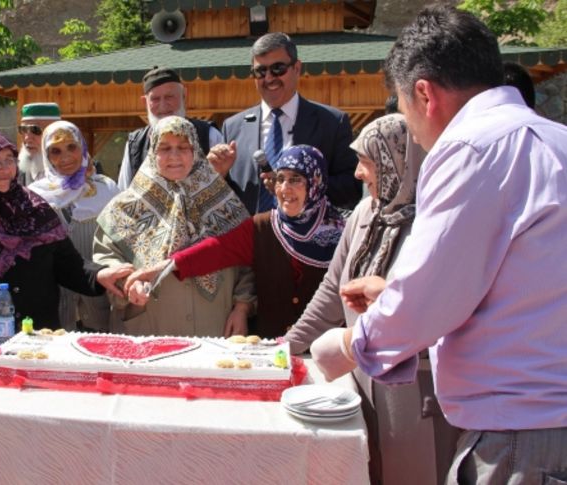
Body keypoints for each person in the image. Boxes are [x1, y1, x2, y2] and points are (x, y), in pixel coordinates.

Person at [310, 6, 567, 483]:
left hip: (519, 430)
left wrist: (348, 343)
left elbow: (429, 298)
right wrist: (395, 294)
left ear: (424, 93)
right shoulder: (556, 140)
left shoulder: (468, 147)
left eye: (402, 110)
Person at [282, 115, 458, 485]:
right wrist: (285, 349)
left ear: (399, 160)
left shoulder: (434, 223)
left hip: (413, 392)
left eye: (368, 161)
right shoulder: (365, 214)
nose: (359, 174)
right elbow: (332, 293)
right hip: (358, 382)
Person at [0, 131, 131, 365]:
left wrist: (100, 274)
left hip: (36, 346)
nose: (5, 168)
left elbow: (69, 265)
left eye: (9, 160)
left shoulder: (33, 207)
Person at [125, 144, 344, 339]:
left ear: (316, 182)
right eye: (280, 178)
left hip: (327, 349)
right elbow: (214, 251)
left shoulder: (342, 230)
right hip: (272, 350)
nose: (284, 188)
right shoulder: (263, 227)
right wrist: (157, 270)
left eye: (295, 179)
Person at [95, 116, 255, 337]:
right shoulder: (124, 207)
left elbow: (247, 260)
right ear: (152, 152)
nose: (174, 156)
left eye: (183, 147)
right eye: (165, 148)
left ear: (195, 151)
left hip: (215, 326)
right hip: (150, 328)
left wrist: (242, 307)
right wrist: (127, 284)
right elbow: (106, 257)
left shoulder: (224, 201)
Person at [208, 32, 361, 214]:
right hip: (251, 239)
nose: (269, 78)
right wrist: (218, 176)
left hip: (309, 238)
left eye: (278, 68)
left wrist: (299, 186)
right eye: (260, 71)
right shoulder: (233, 127)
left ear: (297, 68)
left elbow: (351, 188)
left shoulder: (332, 122)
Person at [28, 121, 120, 332]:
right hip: (55, 298)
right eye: (55, 151)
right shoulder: (34, 195)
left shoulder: (107, 189)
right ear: (46, 156)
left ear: (83, 147)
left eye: (72, 147)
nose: (65, 157)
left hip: (101, 295)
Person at [117, 66, 224, 189]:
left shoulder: (209, 135)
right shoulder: (135, 145)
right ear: (144, 102)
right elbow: (124, 192)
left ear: (184, 95)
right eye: (155, 99)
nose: (163, 105)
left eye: (169, 97)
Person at [17, 102, 61, 185]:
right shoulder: (13, 174)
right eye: (23, 130)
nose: (27, 138)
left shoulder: (70, 172)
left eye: (35, 130)